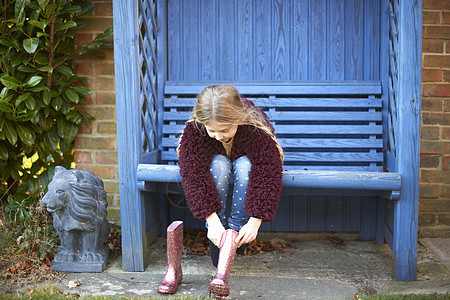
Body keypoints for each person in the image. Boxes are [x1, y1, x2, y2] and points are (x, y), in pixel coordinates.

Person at [157, 85, 283, 298]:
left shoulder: (254, 127)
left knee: (244, 166)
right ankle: (219, 237)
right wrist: (212, 221)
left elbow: (268, 171)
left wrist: (255, 220)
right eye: (212, 130)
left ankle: (234, 237)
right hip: (219, 171)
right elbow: (194, 173)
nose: (217, 136)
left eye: (224, 130)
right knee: (218, 164)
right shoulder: (195, 130)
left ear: (238, 119)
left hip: (246, 170)